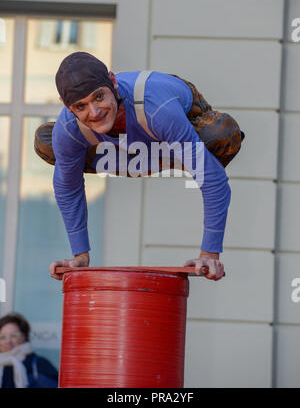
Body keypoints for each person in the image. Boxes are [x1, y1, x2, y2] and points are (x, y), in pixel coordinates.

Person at [34, 52, 244, 281]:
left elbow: (212, 179)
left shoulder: (159, 109)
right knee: (47, 141)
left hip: (170, 120)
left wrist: (209, 254)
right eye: (81, 106)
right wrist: (80, 255)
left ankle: (183, 155)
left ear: (113, 82)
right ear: (67, 107)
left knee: (222, 133)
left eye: (99, 97)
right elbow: (68, 188)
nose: (94, 112)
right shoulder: (68, 128)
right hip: (134, 149)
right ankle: (159, 154)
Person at [0, 313, 58, 388]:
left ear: (25, 336)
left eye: (14, 336)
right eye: (2, 337)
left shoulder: (39, 365)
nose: (8, 341)